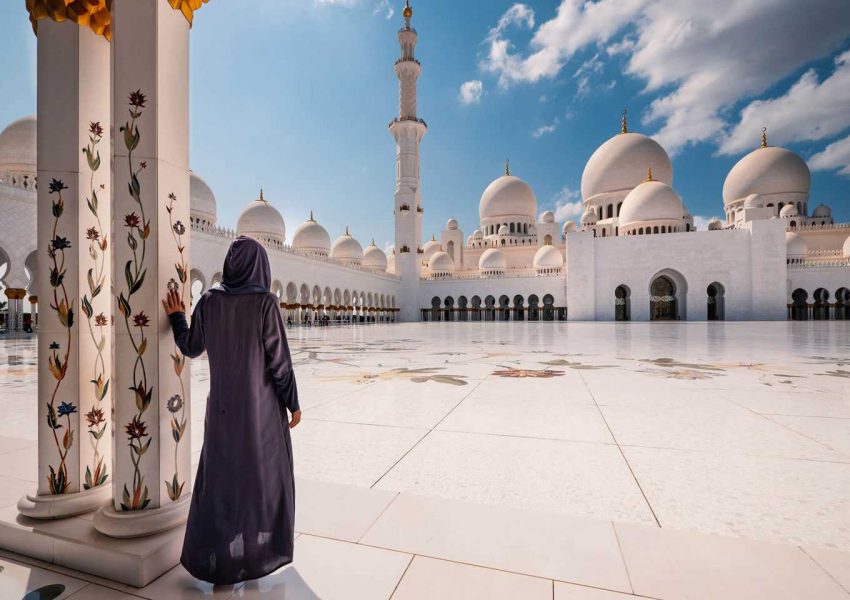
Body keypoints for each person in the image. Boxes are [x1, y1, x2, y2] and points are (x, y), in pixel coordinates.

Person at [162, 235, 301, 585]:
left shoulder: (209, 301)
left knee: (221, 483)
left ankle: (217, 563)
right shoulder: (266, 303)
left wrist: (178, 317)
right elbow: (279, 363)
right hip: (262, 414)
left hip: (222, 412)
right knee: (262, 482)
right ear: (260, 267)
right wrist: (293, 402)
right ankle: (255, 557)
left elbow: (191, 346)